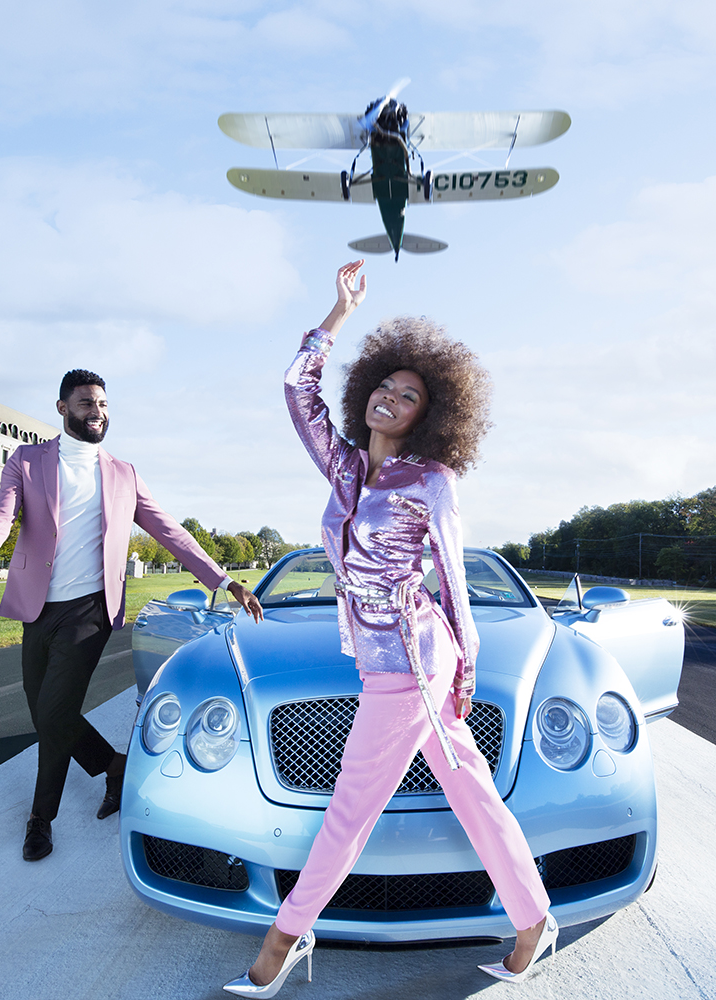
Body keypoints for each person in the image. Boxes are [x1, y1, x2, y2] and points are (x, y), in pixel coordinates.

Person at [223, 263, 556, 998]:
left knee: (351, 804)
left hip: (415, 657)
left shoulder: (431, 480)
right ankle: (532, 916)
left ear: (427, 417)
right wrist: (337, 313)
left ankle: (283, 939)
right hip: (378, 656)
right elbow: (292, 389)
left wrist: (466, 666)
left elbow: (456, 581)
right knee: (469, 787)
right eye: (385, 386)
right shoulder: (342, 466)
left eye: (409, 396)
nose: (391, 398)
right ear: (365, 391)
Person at [0, 369, 262, 863]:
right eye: (87, 403)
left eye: (104, 405)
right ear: (63, 407)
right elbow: (0, 514)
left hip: (90, 610)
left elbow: (170, 533)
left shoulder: (123, 474)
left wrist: (224, 580)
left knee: (53, 714)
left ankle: (40, 820)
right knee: (47, 710)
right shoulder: (27, 461)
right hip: (38, 607)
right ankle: (115, 766)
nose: (98, 412)